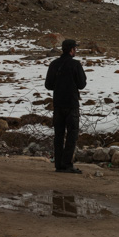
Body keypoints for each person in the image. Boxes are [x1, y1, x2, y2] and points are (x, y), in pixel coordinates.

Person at [44, 39, 87, 173]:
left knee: (59, 134)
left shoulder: (54, 64)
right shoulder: (75, 64)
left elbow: (48, 85)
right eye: (75, 48)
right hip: (71, 104)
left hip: (58, 103)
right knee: (72, 134)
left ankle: (59, 164)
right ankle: (67, 163)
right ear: (72, 50)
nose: (76, 50)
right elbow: (82, 84)